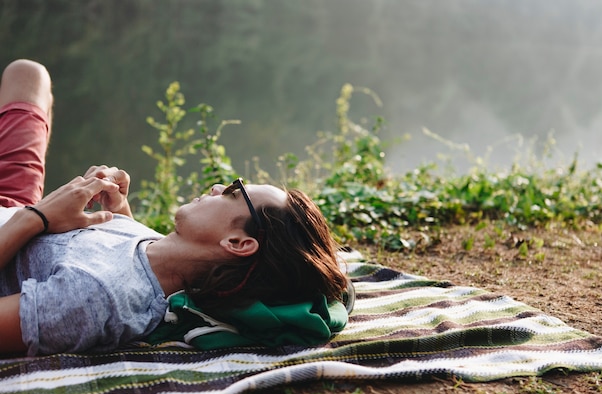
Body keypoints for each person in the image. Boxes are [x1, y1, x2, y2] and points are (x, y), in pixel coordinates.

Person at [0, 59, 349, 356]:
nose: (216, 186)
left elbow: (113, 281)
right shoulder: (167, 261)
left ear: (238, 243)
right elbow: (126, 262)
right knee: (28, 74)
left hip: (17, 222)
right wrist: (119, 211)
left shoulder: (95, 299)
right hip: (15, 207)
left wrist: (38, 218)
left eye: (232, 191)